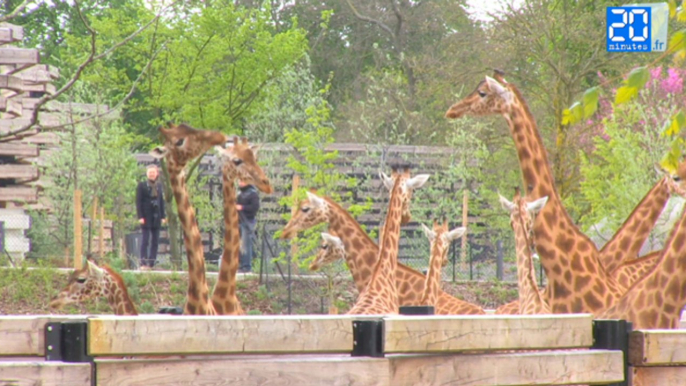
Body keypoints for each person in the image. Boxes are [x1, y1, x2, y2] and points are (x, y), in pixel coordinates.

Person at [136, 164, 166, 270]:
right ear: (147, 174)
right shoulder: (142, 185)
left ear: (156, 173)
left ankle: (152, 262)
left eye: (153, 172)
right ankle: (143, 262)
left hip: (156, 217)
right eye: (150, 172)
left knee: (155, 241)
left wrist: (163, 216)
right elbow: (138, 202)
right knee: (145, 240)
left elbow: (161, 201)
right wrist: (140, 216)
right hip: (145, 216)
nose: (152, 174)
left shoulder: (159, 186)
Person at [237, 179, 260, 273]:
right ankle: (241, 265)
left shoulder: (253, 193)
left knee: (246, 245)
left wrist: (242, 207)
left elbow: (255, 207)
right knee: (240, 245)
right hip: (239, 221)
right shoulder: (239, 193)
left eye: (242, 181)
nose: (240, 182)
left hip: (248, 221)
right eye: (239, 181)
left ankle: (247, 267)